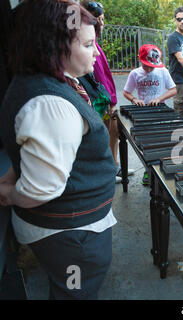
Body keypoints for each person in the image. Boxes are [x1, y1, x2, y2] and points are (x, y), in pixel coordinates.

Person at [0, 0, 116, 299]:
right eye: (89, 44)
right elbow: (42, 187)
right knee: (74, 293)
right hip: (71, 239)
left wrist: (13, 175)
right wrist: (9, 194)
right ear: (55, 46)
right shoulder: (51, 104)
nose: (96, 52)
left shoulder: (47, 84)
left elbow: (33, 148)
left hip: (71, 230)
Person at [81, 0, 134, 184]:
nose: (102, 24)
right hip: (100, 103)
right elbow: (97, 79)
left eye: (103, 19)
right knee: (105, 136)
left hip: (107, 100)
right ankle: (109, 171)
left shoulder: (94, 44)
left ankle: (116, 165)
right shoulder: (88, 44)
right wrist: (109, 101)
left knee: (114, 133)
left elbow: (105, 76)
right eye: (98, 19)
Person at [167, 6, 183, 118]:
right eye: (179, 19)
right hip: (179, 80)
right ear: (175, 20)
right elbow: (180, 58)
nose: (182, 22)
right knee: (180, 112)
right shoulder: (173, 38)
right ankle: (178, 134)